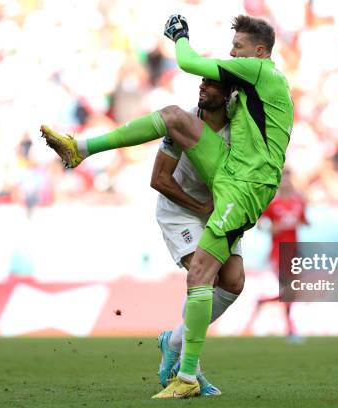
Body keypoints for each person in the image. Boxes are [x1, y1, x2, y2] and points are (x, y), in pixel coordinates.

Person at [40, 14, 293, 399]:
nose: (230, 56)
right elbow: (160, 178)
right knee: (174, 118)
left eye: (236, 49)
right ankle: (81, 148)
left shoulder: (260, 73)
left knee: (229, 281)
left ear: (258, 52)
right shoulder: (233, 105)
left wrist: (180, 37)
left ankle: (178, 353)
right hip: (215, 186)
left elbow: (190, 61)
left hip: (243, 187)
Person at [151, 78, 244, 396]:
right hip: (181, 209)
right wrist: (200, 205)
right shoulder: (183, 124)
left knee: (233, 282)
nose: (203, 89)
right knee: (202, 280)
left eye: (212, 85)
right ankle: (190, 371)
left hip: (220, 210)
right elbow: (159, 178)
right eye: (202, 83)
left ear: (230, 94)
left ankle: (173, 341)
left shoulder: (240, 131)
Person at [246, 168, 308, 342]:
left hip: (294, 252)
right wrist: (272, 228)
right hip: (278, 252)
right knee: (288, 289)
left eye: (288, 178)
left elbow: (304, 221)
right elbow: (259, 225)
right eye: (283, 179)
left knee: (292, 291)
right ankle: (291, 330)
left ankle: (264, 302)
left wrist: (302, 219)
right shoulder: (273, 203)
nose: (286, 182)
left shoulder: (298, 202)